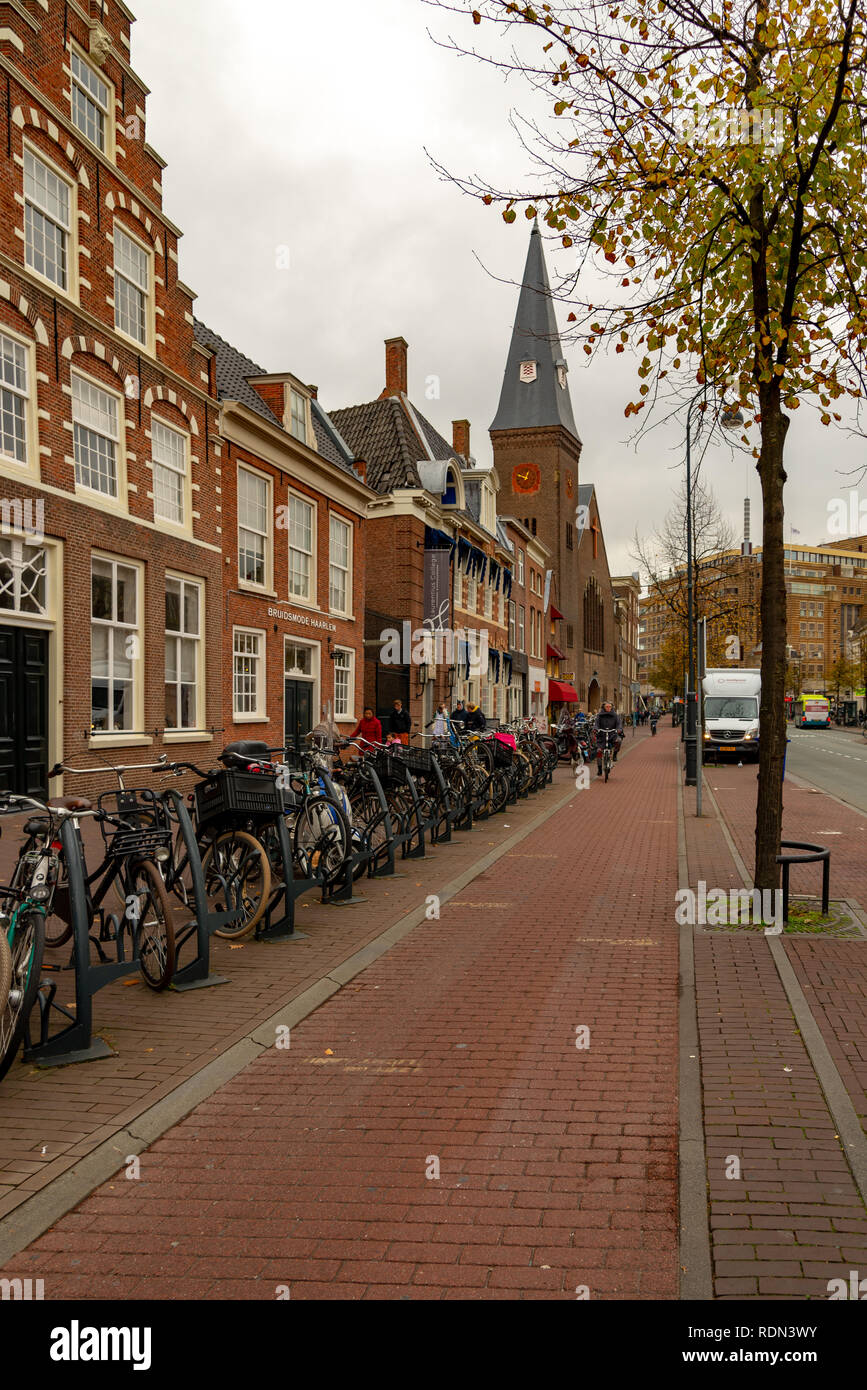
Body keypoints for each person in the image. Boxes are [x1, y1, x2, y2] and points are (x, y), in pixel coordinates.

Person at [593, 700, 624, 775]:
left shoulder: (615, 715)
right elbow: (596, 724)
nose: (608, 708)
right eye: (607, 706)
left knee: (619, 741)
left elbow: (619, 724)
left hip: (612, 734)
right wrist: (596, 729)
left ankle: (615, 754)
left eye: (610, 706)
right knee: (599, 752)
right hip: (602, 736)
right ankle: (600, 769)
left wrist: (619, 729)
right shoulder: (599, 715)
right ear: (603, 707)